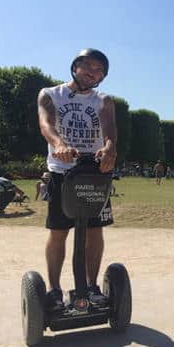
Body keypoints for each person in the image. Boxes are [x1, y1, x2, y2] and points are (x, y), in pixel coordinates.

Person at [37, 48, 116, 308]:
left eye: (99, 71)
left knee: (95, 231)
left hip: (95, 174)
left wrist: (108, 147)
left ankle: (92, 287)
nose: (93, 74)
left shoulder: (103, 100)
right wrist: (58, 142)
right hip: (62, 172)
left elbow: (109, 131)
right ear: (75, 67)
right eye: (88, 67)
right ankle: (54, 289)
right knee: (58, 231)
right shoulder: (50, 94)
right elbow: (46, 124)